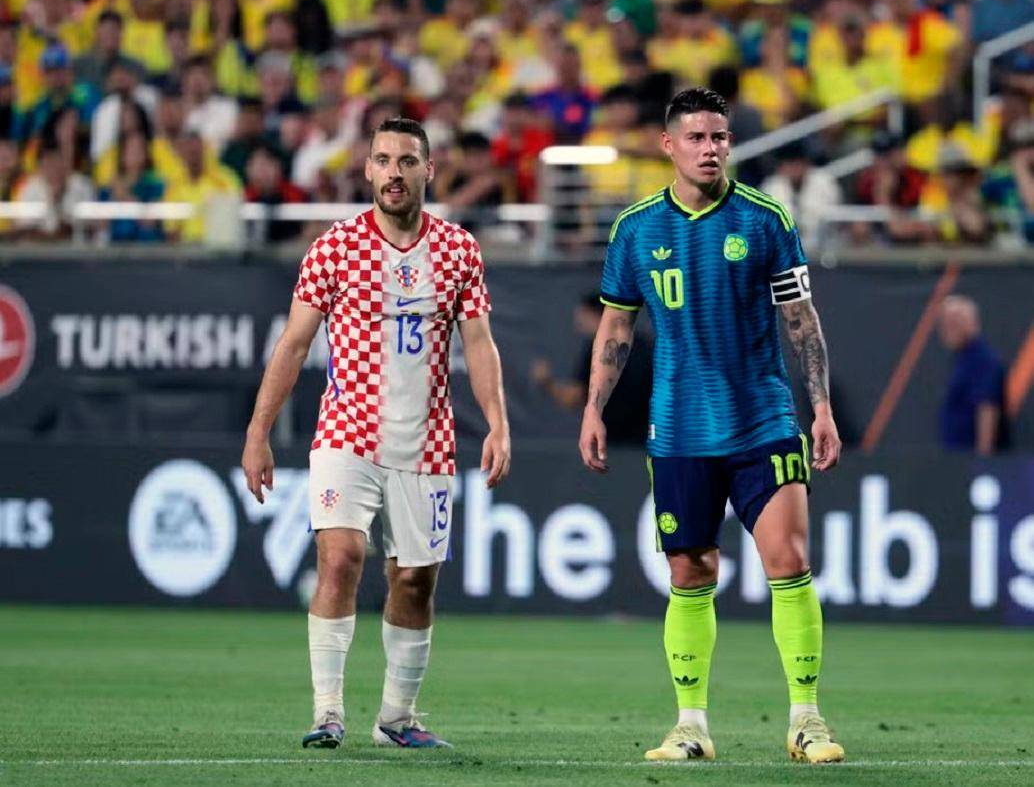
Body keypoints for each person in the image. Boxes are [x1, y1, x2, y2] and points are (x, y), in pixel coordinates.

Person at [579, 88, 844, 764]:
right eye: (696, 138)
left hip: (763, 420)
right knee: (690, 571)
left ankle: (807, 720)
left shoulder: (764, 219)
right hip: (679, 429)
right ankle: (690, 726)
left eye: (719, 137)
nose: (710, 149)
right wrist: (594, 407)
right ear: (668, 145)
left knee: (789, 559)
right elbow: (617, 327)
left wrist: (820, 407)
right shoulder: (636, 228)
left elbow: (800, 320)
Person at [241, 117, 510, 750]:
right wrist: (259, 431)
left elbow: (479, 343)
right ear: (367, 170)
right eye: (383, 160)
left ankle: (396, 719)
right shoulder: (334, 248)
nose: (394, 172)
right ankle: (327, 712)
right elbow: (293, 344)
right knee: (340, 558)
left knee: (414, 581)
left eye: (407, 161)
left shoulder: (459, 250)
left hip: (427, 443)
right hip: (347, 433)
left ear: (428, 170)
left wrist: (498, 423)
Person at [532, 292, 652, 445]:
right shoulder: (643, 345)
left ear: (595, 315)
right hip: (647, 441)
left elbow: (574, 398)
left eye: (582, 315)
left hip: (615, 441)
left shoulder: (598, 348)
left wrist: (547, 382)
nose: (578, 321)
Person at [938, 295, 1009, 455]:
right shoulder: (961, 360)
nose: (947, 330)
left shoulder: (982, 360)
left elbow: (986, 407)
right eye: (944, 324)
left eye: (954, 323)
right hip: (957, 456)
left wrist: (982, 457)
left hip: (971, 458)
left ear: (972, 323)